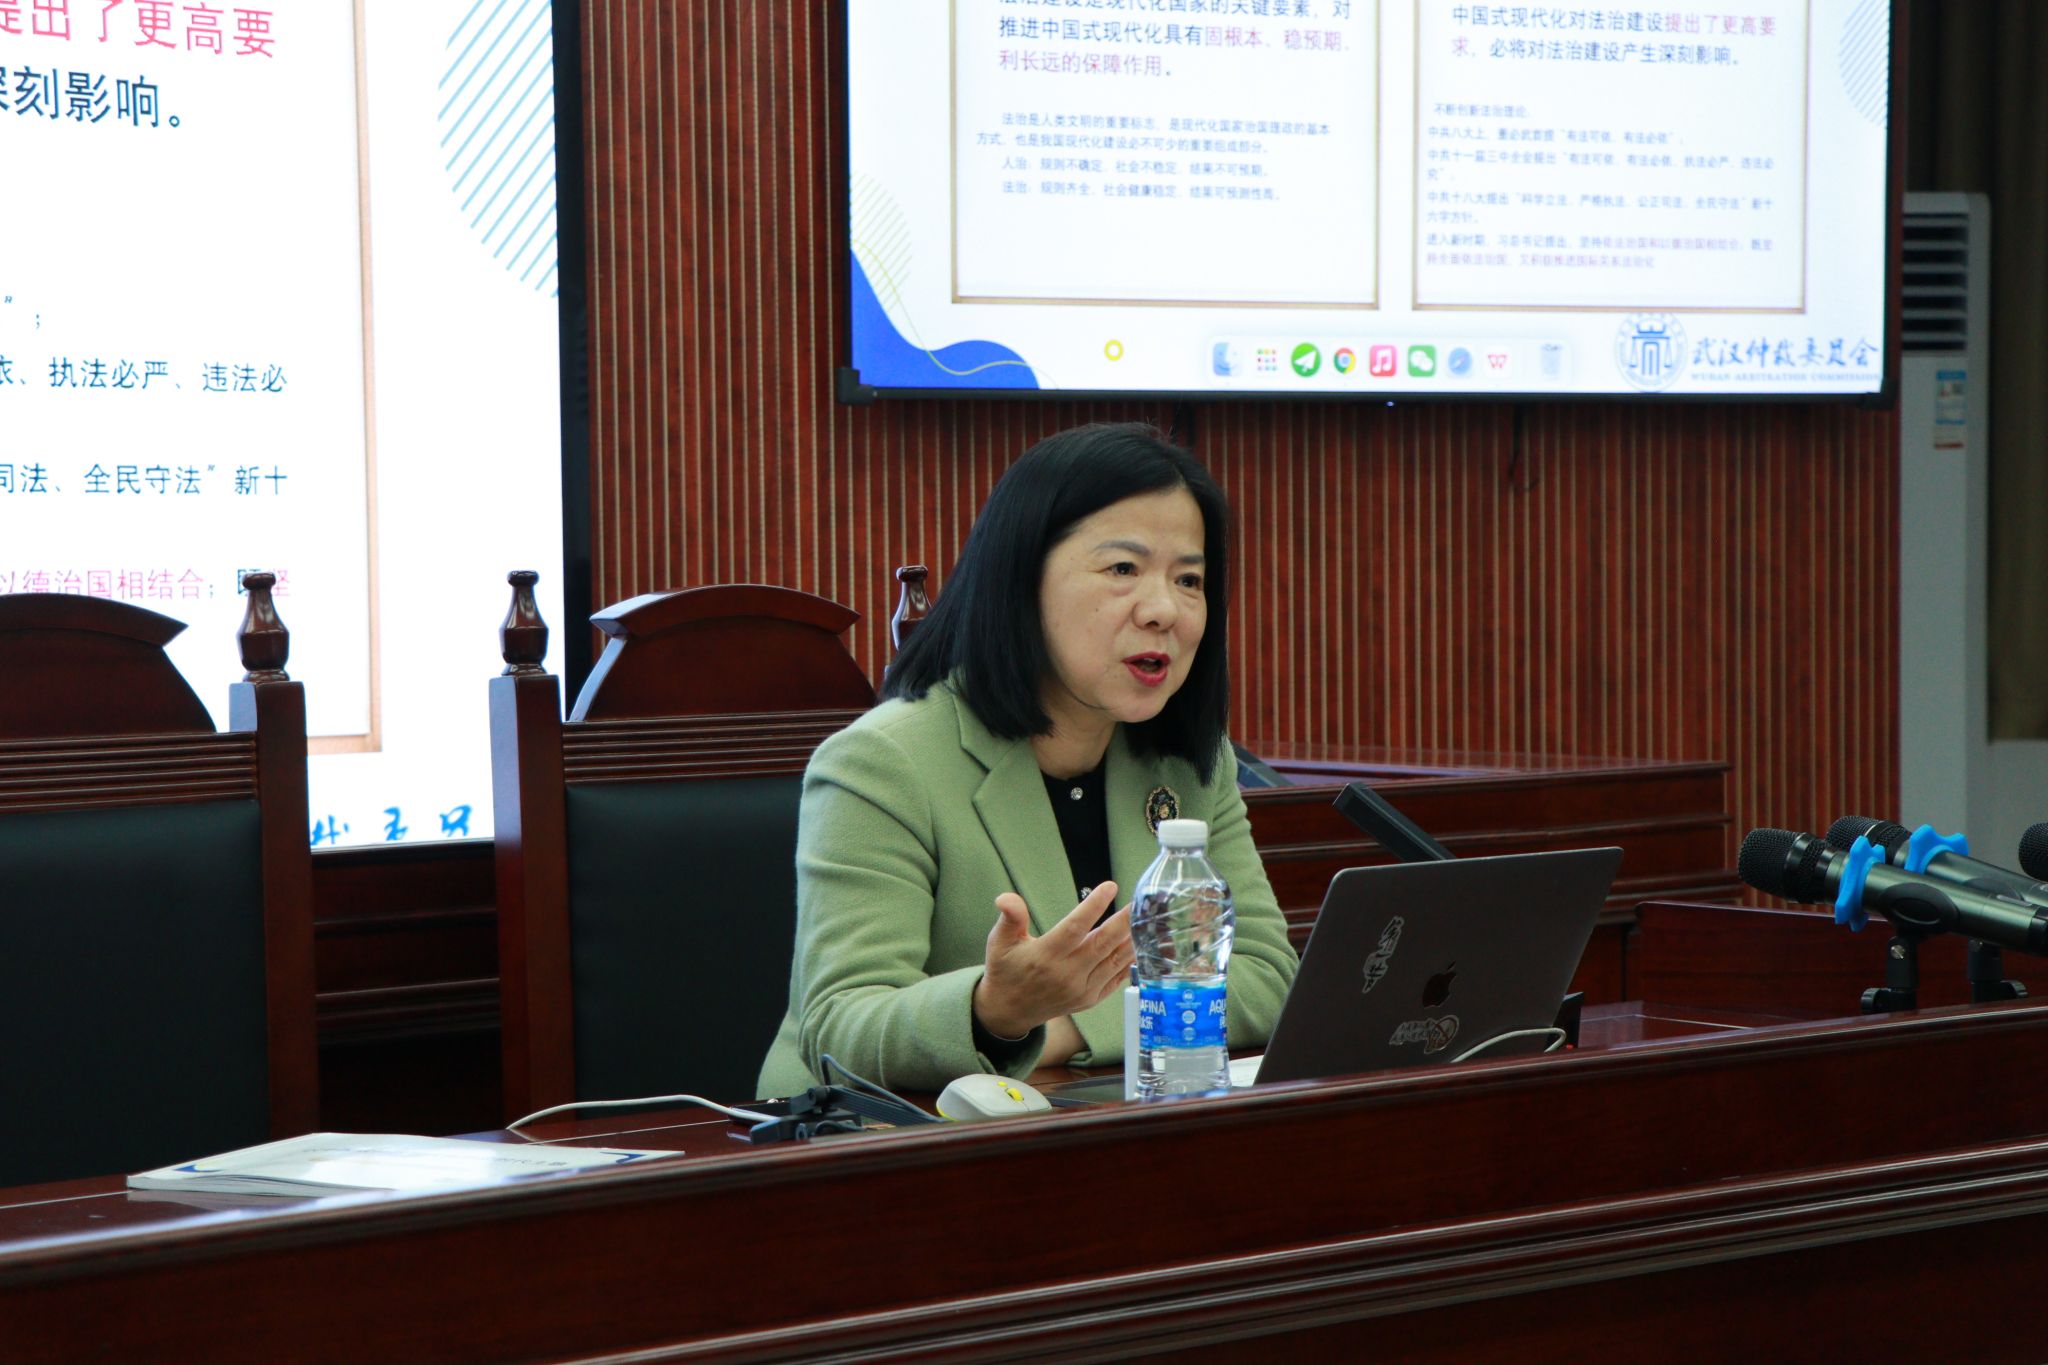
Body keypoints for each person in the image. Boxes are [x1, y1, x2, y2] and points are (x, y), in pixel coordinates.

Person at [757, 423, 1299, 1096]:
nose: (1165, 609)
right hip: (882, 1139)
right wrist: (994, 1013)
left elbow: (1267, 977)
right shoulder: (882, 762)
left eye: (1189, 579)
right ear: (1022, 578)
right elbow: (839, 1029)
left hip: (1103, 1117)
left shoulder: (1189, 762)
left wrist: (1055, 1025)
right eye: (1123, 569)